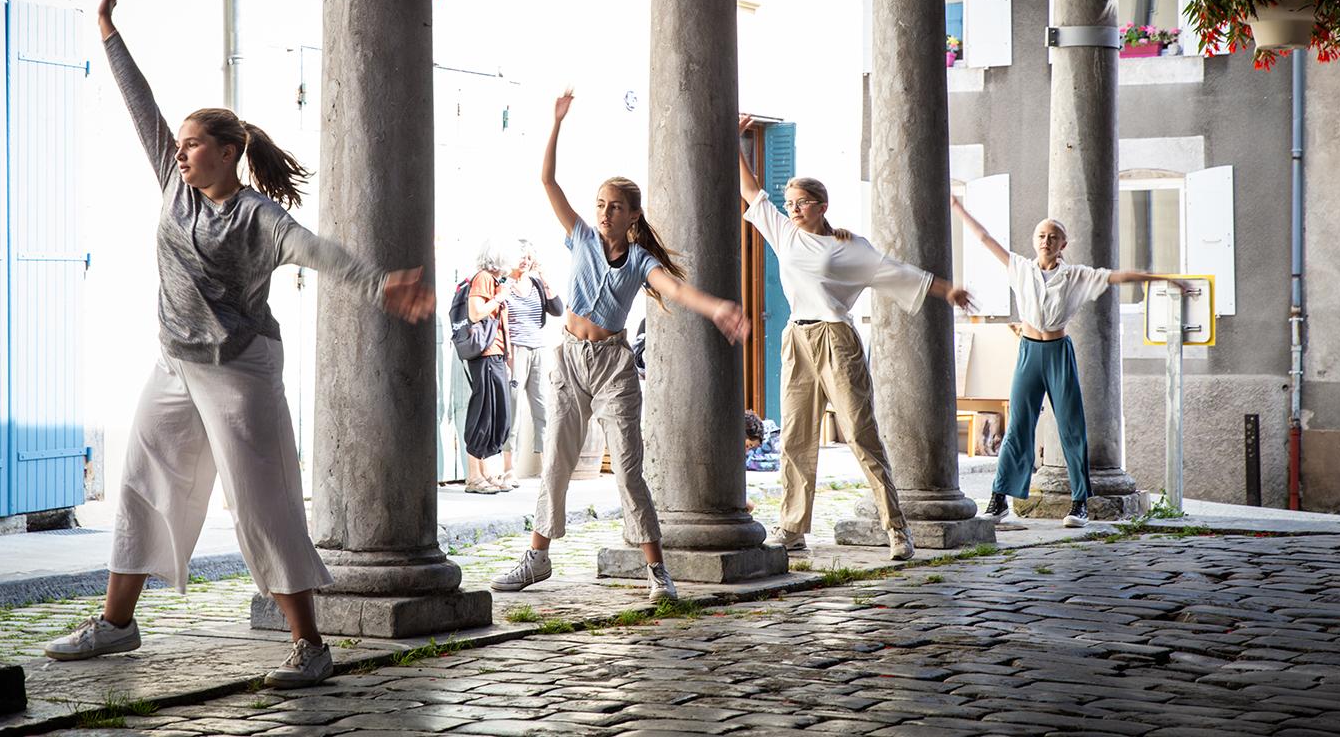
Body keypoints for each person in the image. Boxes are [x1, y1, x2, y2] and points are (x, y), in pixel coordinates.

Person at [43, 0, 434, 689]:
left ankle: (310, 644)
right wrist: (106, 30)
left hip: (239, 370)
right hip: (174, 363)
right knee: (139, 481)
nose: (183, 153)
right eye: (182, 145)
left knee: (260, 502)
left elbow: (318, 251)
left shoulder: (258, 218)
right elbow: (142, 105)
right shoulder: (174, 183)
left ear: (229, 152)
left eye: (195, 146)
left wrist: (379, 284)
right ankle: (117, 625)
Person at [490, 89, 750, 601]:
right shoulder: (582, 238)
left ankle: (657, 571)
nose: (604, 213)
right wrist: (556, 122)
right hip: (568, 358)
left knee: (629, 470)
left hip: (613, 366)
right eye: (601, 205)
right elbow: (547, 181)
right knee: (556, 463)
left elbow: (674, 289)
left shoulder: (637, 260)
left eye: (614, 208)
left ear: (633, 215)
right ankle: (538, 557)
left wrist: (717, 307)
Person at [738, 115, 973, 561]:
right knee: (794, 438)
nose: (793, 209)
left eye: (802, 202)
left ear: (822, 206)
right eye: (790, 202)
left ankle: (896, 528)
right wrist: (736, 141)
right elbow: (751, 192)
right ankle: (792, 527)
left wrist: (948, 290)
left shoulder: (850, 248)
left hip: (836, 339)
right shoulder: (784, 235)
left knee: (861, 434)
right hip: (797, 338)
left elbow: (897, 272)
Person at [951, 197, 1191, 527]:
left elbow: (1117, 277)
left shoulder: (1076, 276)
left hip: (1057, 353)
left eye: (1053, 236)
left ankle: (1079, 503)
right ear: (1034, 242)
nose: (1046, 241)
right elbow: (985, 238)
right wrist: (958, 207)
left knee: (1071, 427)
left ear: (1063, 244)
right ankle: (999, 498)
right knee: (1019, 427)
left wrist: (1165, 279)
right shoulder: (1021, 268)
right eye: (1041, 236)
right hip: (1028, 354)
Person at [498, 240, 564, 487]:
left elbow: (557, 309)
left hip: (538, 349)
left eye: (527, 256)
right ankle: (509, 469)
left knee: (542, 408)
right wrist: (506, 354)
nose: (524, 260)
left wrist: (544, 277)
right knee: (513, 409)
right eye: (520, 256)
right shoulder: (505, 284)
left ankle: (548, 467)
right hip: (516, 350)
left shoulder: (536, 283)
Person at [462, 240, 516, 493]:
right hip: (484, 354)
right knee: (483, 413)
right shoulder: (483, 278)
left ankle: (488, 473)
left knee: (497, 416)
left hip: (496, 356)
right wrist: (499, 298)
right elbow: (475, 313)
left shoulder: (495, 282)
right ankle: (474, 477)